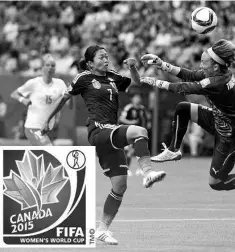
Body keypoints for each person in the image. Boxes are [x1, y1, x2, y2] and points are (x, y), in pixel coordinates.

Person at [41, 45, 166, 245]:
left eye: (107, 56)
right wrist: (49, 119)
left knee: (120, 186)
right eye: (101, 57)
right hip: (98, 130)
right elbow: (64, 98)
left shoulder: (113, 76)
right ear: (90, 63)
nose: (106, 59)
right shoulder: (83, 78)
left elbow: (136, 83)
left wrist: (133, 67)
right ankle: (147, 171)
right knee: (139, 131)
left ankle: (102, 229)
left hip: (111, 131)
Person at [140, 39, 235, 192]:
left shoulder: (216, 83)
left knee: (216, 183)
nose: (201, 66)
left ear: (214, 66)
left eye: (203, 63)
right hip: (219, 121)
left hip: (231, 137)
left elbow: (183, 87)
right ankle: (173, 150)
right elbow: (190, 75)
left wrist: (155, 82)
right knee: (183, 108)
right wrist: (161, 64)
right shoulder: (218, 73)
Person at [10, 54, 67, 145]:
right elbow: (14, 94)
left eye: (53, 65)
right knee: (49, 150)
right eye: (47, 65)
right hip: (33, 126)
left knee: (41, 156)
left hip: (49, 127)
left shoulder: (60, 83)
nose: (50, 68)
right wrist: (23, 100)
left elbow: (66, 98)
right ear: (42, 68)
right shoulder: (34, 83)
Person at [119, 94, 149, 175]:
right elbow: (121, 118)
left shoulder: (142, 109)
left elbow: (147, 120)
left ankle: (140, 169)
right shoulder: (128, 108)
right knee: (129, 151)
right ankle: (126, 169)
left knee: (140, 150)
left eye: (138, 98)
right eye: (136, 98)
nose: (137, 99)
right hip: (128, 132)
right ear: (132, 99)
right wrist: (131, 123)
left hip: (139, 133)